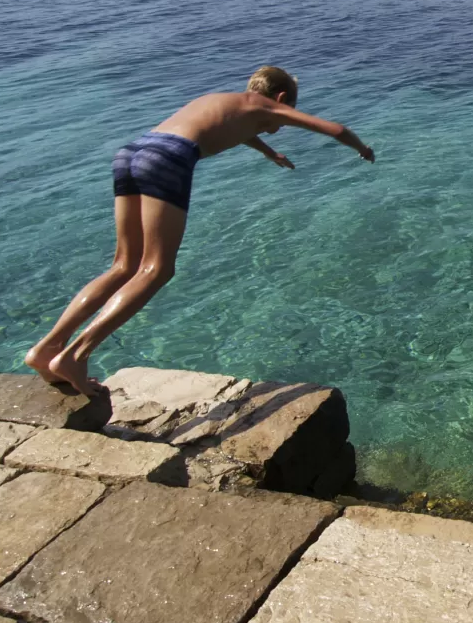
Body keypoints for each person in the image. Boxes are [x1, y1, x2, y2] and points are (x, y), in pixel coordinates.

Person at [24, 66, 376, 396]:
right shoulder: (270, 107)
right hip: (168, 159)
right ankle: (76, 355)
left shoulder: (225, 101)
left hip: (132, 152)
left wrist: (269, 152)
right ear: (281, 98)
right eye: (288, 108)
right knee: (156, 269)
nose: (279, 122)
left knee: (123, 264)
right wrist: (362, 148)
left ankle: (46, 348)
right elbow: (335, 129)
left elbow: (234, 130)